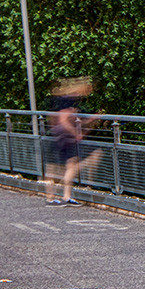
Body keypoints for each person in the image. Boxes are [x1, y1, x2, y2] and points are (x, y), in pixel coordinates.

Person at [47, 77, 101, 205]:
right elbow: (64, 120)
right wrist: (76, 134)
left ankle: (59, 196)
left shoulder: (63, 100)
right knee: (65, 167)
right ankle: (59, 196)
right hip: (64, 138)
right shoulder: (68, 101)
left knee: (62, 166)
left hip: (59, 137)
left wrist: (93, 119)